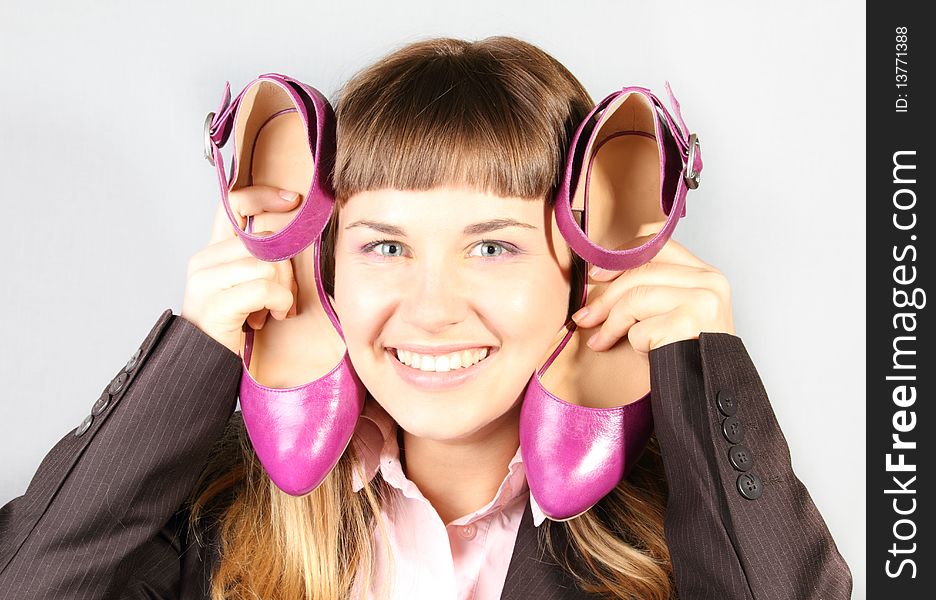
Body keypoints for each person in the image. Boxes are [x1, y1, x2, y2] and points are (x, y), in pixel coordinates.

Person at [0, 37, 851, 599]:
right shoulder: (214, 514)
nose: (434, 308)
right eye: (383, 247)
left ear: (585, 263)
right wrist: (198, 349)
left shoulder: (678, 530)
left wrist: (704, 367)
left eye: (493, 248)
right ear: (325, 269)